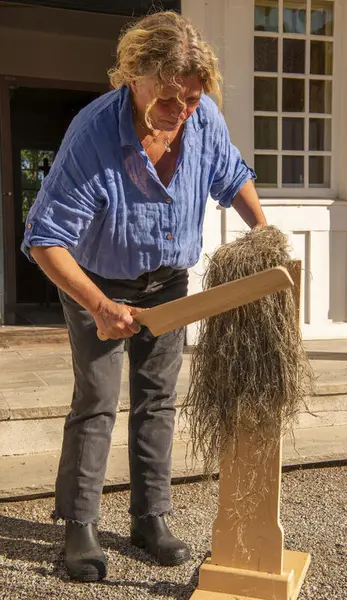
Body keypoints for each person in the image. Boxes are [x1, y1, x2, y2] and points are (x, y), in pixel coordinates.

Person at [21, 10, 267, 582]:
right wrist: (100, 307)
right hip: (96, 284)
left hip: (169, 284)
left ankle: (149, 518)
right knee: (98, 400)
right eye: (167, 100)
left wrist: (267, 236)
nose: (179, 113)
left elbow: (232, 177)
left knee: (158, 402)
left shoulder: (201, 118)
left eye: (191, 99)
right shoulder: (93, 134)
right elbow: (44, 239)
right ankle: (79, 527)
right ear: (132, 77)